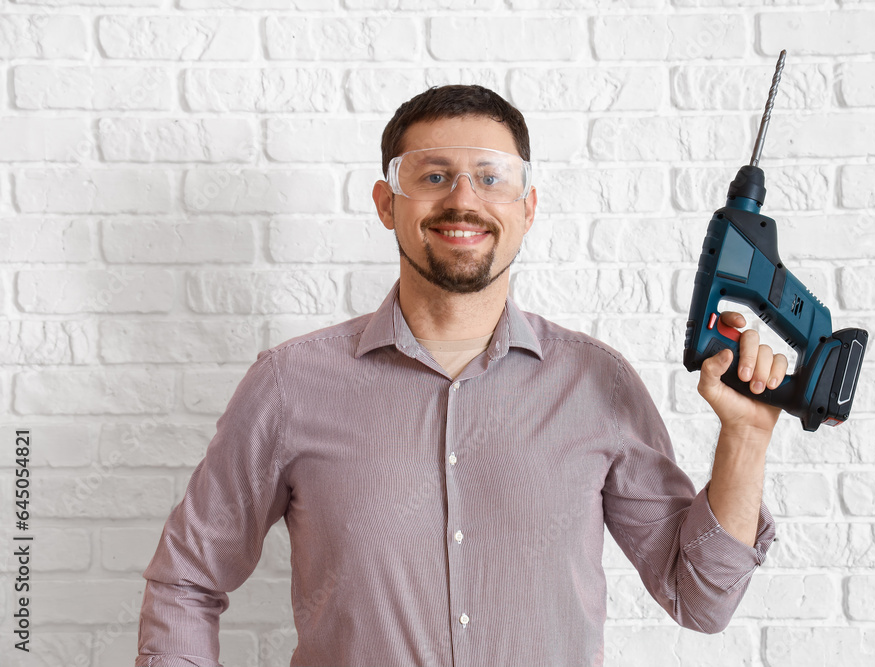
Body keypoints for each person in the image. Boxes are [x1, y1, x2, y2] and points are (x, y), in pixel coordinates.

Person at [136, 84, 787, 667]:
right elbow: (187, 580)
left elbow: (699, 598)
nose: (463, 199)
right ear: (386, 203)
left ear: (528, 207)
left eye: (491, 177)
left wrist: (747, 439)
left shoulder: (599, 386)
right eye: (435, 175)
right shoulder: (288, 385)